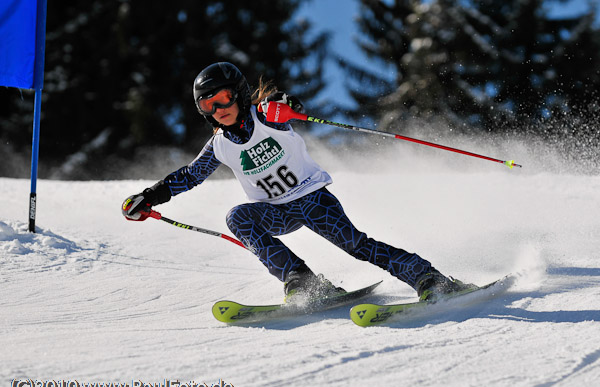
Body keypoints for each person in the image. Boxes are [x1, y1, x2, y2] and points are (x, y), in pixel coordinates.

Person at [122, 61, 467, 302]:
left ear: (239, 94)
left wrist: (286, 104)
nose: (218, 108)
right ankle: (302, 282)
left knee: (356, 246)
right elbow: (189, 176)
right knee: (237, 216)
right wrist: (150, 196)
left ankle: (429, 278)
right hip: (277, 213)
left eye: (223, 98)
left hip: (313, 199)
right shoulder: (219, 146)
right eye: (208, 104)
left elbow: (284, 111)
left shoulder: (267, 117)